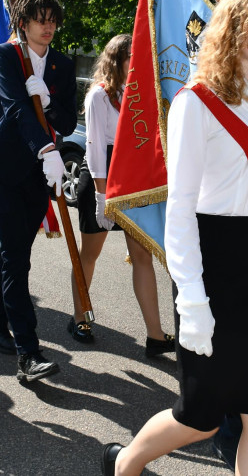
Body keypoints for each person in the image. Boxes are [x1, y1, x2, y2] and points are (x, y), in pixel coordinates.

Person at [102, 0, 248, 476]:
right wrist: (191, 298)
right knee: (202, 417)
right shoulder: (198, 101)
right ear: (234, 30)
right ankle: (125, 464)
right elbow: (181, 207)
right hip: (215, 262)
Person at [0, 0, 76, 383]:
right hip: (6, 168)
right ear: (23, 22)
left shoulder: (63, 65)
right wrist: (46, 147)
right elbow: (15, 106)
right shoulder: (6, 55)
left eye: (52, 20)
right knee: (18, 256)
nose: (48, 27)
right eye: (40, 19)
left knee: (14, 249)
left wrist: (49, 102)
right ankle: (28, 354)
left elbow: (67, 120)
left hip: (40, 173)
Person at [67, 33, 173, 356]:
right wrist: (101, 196)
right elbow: (95, 147)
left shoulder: (139, 93)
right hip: (102, 175)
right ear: (116, 60)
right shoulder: (99, 96)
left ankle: (155, 336)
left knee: (142, 256)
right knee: (90, 254)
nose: (135, 63)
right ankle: (80, 317)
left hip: (132, 178)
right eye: (130, 57)